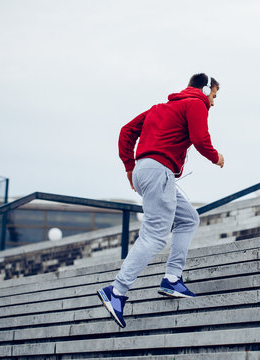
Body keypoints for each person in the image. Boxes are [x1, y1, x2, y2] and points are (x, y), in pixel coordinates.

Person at [97, 73, 224, 328]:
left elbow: (126, 132)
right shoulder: (196, 103)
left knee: (188, 219)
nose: (213, 102)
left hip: (147, 169)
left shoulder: (160, 108)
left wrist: (130, 167)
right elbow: (200, 139)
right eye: (214, 96)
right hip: (159, 171)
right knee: (154, 236)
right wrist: (215, 157)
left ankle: (172, 278)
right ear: (205, 89)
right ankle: (117, 291)